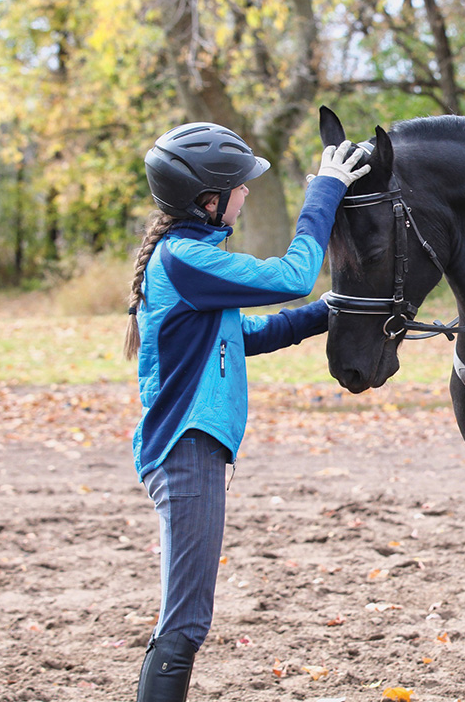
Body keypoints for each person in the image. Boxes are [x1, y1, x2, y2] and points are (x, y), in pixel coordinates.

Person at [122, 122, 369, 701]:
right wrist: (325, 193)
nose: (248, 192)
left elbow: (245, 335)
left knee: (185, 623)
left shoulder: (190, 260)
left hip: (193, 451)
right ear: (209, 200)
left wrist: (331, 309)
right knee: (184, 626)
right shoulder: (185, 260)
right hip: (187, 452)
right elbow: (291, 276)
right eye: (239, 185)